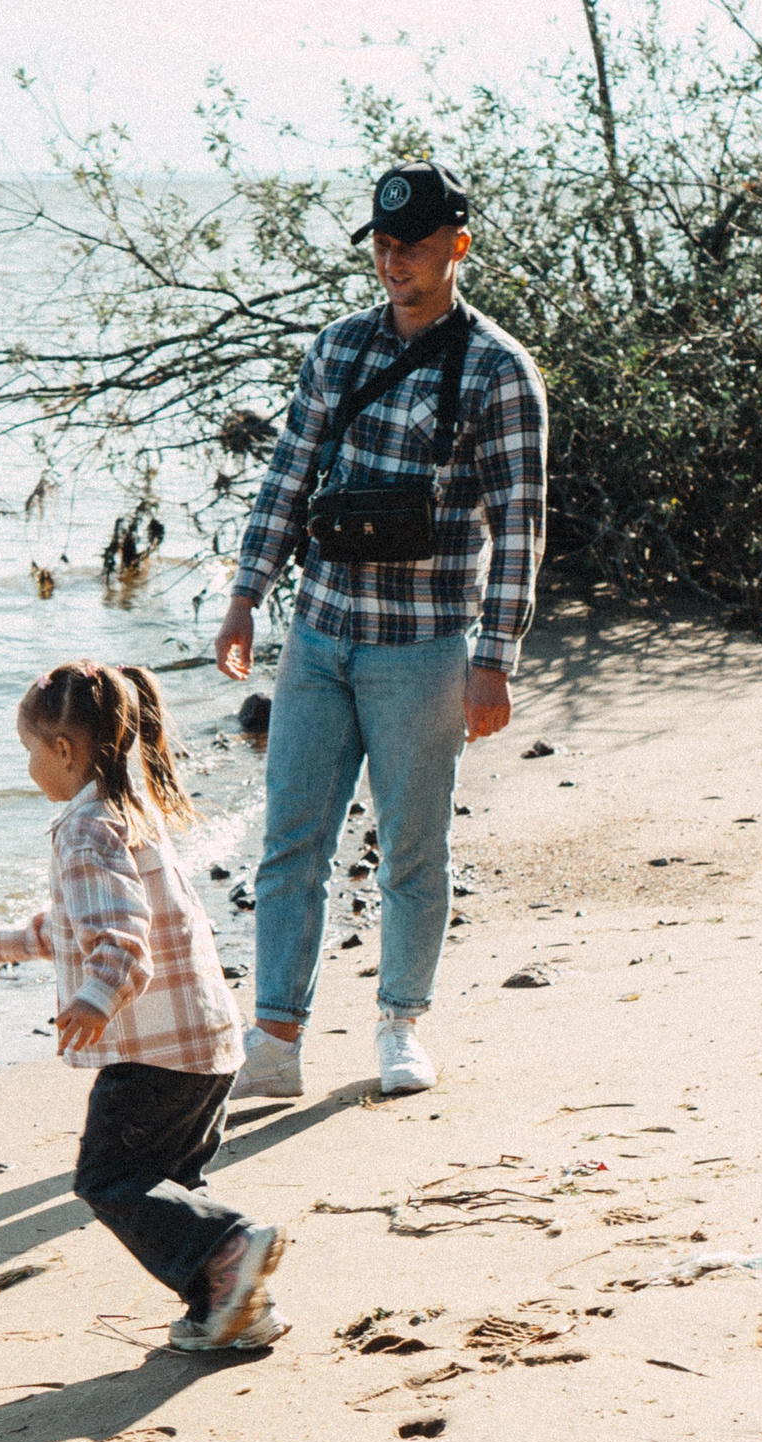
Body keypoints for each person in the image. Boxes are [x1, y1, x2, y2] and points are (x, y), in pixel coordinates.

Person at [215, 160, 548, 1098]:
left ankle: (401, 1022)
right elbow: (288, 476)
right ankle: (275, 1040)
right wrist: (247, 595)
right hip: (319, 635)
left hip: (426, 647)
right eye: (383, 246)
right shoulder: (337, 349)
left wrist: (495, 662)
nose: (394, 262)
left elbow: (520, 526)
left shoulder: (499, 372)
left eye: (414, 246)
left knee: (412, 847)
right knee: (292, 841)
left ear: (458, 246)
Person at [0, 661, 290, 1351]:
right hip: (205, 1044)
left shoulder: (84, 832)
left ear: (64, 750)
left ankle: (231, 1242)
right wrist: (7, 942)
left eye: (31, 751)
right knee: (170, 1188)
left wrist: (94, 997)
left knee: (109, 1179)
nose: (29, 769)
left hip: (155, 1055)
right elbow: (78, 926)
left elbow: (121, 939)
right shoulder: (128, 811)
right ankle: (232, 1308)